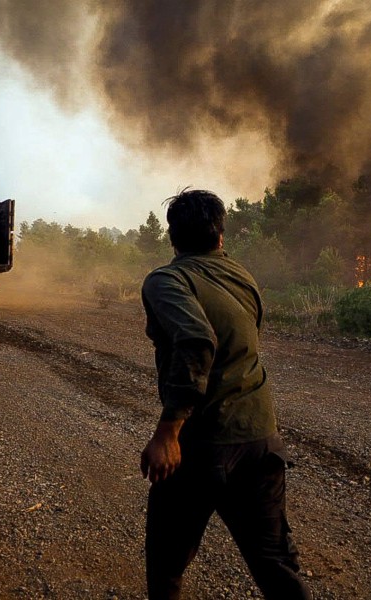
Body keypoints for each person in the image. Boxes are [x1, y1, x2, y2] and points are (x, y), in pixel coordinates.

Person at [139, 189, 312, 600]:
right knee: (275, 564)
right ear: (220, 236)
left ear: (172, 238)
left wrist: (168, 433)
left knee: (166, 561)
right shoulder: (241, 275)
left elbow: (198, 340)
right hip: (261, 439)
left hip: (203, 443)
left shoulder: (167, 279)